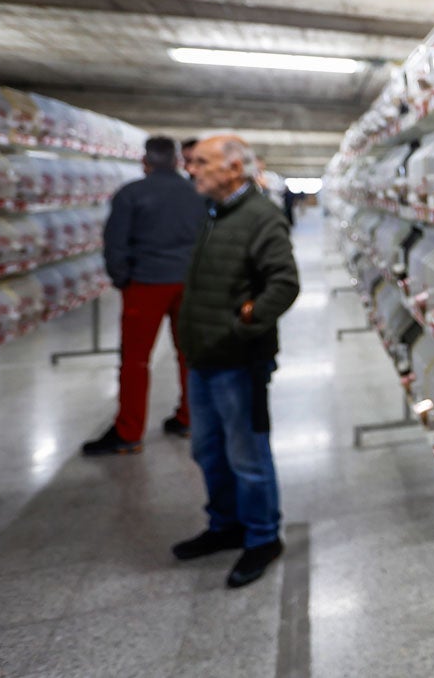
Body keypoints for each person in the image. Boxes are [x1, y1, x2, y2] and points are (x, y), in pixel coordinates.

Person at [171, 134, 300, 588]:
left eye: (202, 162)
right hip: (204, 356)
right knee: (208, 449)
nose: (193, 168)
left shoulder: (260, 216)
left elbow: (283, 284)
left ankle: (263, 536)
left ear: (233, 169)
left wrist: (241, 328)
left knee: (247, 452)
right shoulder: (216, 213)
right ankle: (225, 526)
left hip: (238, 359)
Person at [82, 136, 206, 456]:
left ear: (145, 162)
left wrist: (121, 278)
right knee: (188, 354)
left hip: (146, 284)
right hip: (190, 283)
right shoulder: (197, 194)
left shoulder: (131, 194)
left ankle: (129, 432)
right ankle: (189, 418)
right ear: (179, 162)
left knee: (135, 361)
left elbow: (115, 242)